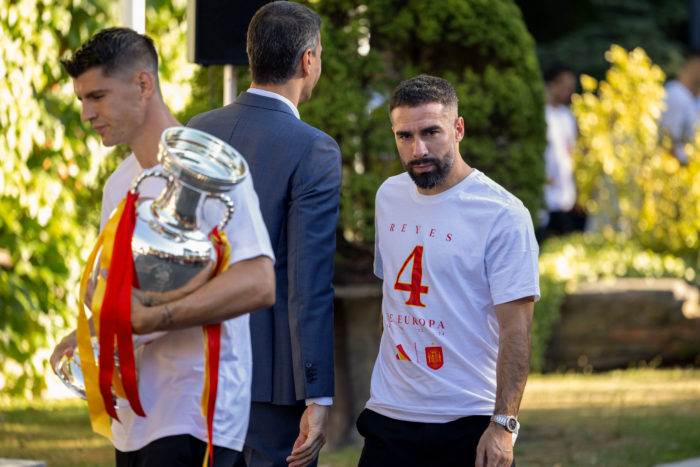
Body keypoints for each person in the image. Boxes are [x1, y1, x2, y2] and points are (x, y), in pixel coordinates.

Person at [50, 27, 276, 466]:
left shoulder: (212, 168)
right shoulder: (119, 182)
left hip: (196, 409)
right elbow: (128, 291)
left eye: (97, 96)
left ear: (143, 84)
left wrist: (155, 316)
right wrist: (89, 334)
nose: (85, 113)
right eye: (82, 99)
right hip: (134, 414)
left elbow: (259, 281)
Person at [356, 75, 540, 467]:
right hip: (389, 415)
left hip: (468, 420)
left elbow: (517, 329)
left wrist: (504, 425)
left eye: (430, 132)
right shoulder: (388, 196)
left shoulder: (503, 214)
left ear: (458, 129)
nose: (417, 149)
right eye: (404, 136)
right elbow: (397, 299)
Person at [187, 2, 341, 467]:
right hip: (270, 385)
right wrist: (318, 393)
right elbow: (307, 282)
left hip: (197, 367)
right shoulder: (313, 147)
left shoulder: (197, 132)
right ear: (308, 60)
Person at [539, 63, 585, 242]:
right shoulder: (541, 115)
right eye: (564, 85)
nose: (568, 90)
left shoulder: (568, 116)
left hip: (567, 193)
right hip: (545, 194)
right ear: (551, 85)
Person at [659, 49, 700, 166]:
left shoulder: (692, 98)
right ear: (695, 64)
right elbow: (668, 143)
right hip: (676, 175)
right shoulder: (675, 95)